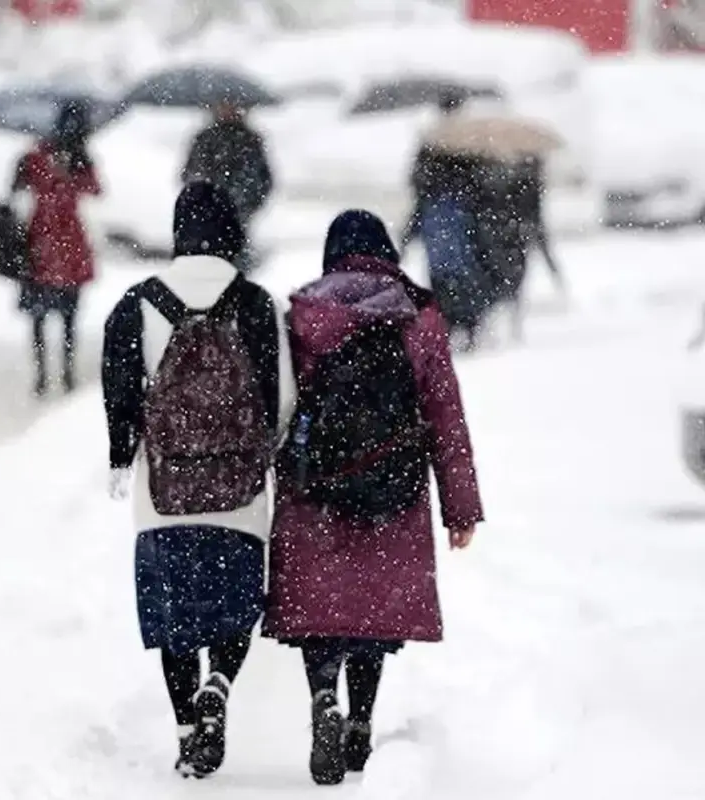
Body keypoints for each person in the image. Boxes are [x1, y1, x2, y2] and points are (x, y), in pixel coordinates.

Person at [264, 210, 483, 786]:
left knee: (322, 612)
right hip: (395, 488)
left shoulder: (304, 314)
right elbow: (446, 418)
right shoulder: (417, 316)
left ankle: (323, 701)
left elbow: (279, 409)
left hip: (316, 492)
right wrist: (460, 508)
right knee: (370, 610)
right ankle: (360, 721)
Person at [101, 181, 294, 779]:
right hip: (238, 492)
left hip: (165, 493)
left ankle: (188, 728)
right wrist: (263, 452)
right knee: (235, 607)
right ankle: (219, 684)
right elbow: (281, 399)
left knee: (176, 616)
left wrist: (120, 453)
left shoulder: (138, 302)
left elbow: (119, 392)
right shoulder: (257, 304)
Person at [12, 99, 102, 397]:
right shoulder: (37, 157)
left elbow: (94, 189)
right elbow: (17, 189)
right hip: (48, 242)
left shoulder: (76, 158)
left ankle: (61, 372)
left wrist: (69, 171)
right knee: (48, 315)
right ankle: (48, 372)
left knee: (64, 315)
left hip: (58, 242)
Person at [401, 92, 493, 350]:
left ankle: (449, 324)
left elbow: (417, 181)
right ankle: (466, 323)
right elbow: (480, 185)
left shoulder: (433, 140)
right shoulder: (470, 140)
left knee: (441, 273)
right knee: (464, 271)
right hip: (459, 219)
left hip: (438, 218)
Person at [476, 155, 565, 341]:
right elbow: (535, 221)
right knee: (514, 283)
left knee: (500, 282)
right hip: (517, 240)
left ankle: (499, 325)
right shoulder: (528, 184)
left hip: (503, 239)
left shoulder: (503, 180)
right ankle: (511, 325)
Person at [181, 101, 275, 273]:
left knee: (236, 255)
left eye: (232, 105)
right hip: (209, 211)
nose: (228, 110)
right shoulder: (205, 138)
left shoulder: (250, 139)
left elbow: (263, 178)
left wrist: (248, 201)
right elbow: (189, 173)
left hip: (239, 209)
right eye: (223, 104)